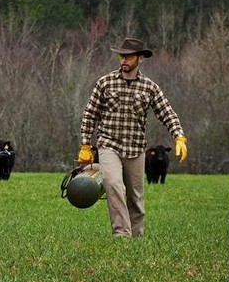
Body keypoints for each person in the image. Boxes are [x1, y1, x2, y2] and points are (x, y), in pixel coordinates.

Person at [77, 37, 187, 237]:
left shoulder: (149, 87)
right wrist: (85, 144)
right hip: (108, 145)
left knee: (136, 197)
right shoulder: (105, 82)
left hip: (136, 149)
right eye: (121, 56)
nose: (123, 60)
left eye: (128, 57)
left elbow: (167, 113)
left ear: (140, 59)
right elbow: (90, 114)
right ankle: (122, 235)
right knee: (113, 185)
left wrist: (179, 137)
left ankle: (136, 238)